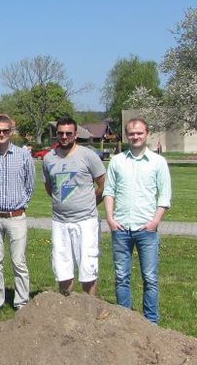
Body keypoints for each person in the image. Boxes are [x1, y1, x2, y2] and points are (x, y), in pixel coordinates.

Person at [103, 117, 171, 324]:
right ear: (126, 135)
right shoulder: (117, 161)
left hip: (146, 229)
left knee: (150, 278)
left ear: (147, 134)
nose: (135, 137)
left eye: (139, 133)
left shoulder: (158, 162)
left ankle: (151, 322)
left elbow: (164, 196)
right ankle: (126, 321)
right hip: (121, 228)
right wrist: (110, 218)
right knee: (121, 277)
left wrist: (155, 222)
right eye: (131, 133)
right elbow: (109, 191)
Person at [42, 117, 106, 297]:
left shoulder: (88, 156)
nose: (64, 137)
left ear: (75, 135)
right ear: (56, 134)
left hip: (86, 221)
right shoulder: (48, 159)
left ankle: (89, 309)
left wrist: (91, 202)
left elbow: (103, 184)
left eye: (68, 133)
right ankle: (66, 309)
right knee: (62, 267)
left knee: (88, 268)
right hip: (60, 222)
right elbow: (50, 187)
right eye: (60, 133)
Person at [0, 115, 35, 313]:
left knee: (19, 261)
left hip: (16, 216)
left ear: (11, 132)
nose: (1, 134)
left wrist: (21, 204)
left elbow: (30, 184)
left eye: (5, 130)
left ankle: (21, 302)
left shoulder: (23, 155)